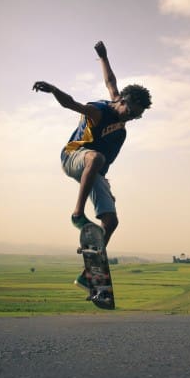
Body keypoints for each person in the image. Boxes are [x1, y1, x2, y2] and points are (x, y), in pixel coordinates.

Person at [32, 41, 152, 250]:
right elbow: (71, 103)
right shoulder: (99, 112)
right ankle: (77, 214)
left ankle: (94, 263)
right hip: (73, 156)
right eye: (131, 113)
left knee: (111, 222)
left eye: (137, 116)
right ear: (123, 101)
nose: (132, 118)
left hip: (94, 168)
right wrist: (52, 89)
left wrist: (104, 57)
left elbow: (110, 81)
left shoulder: (119, 104)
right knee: (96, 157)